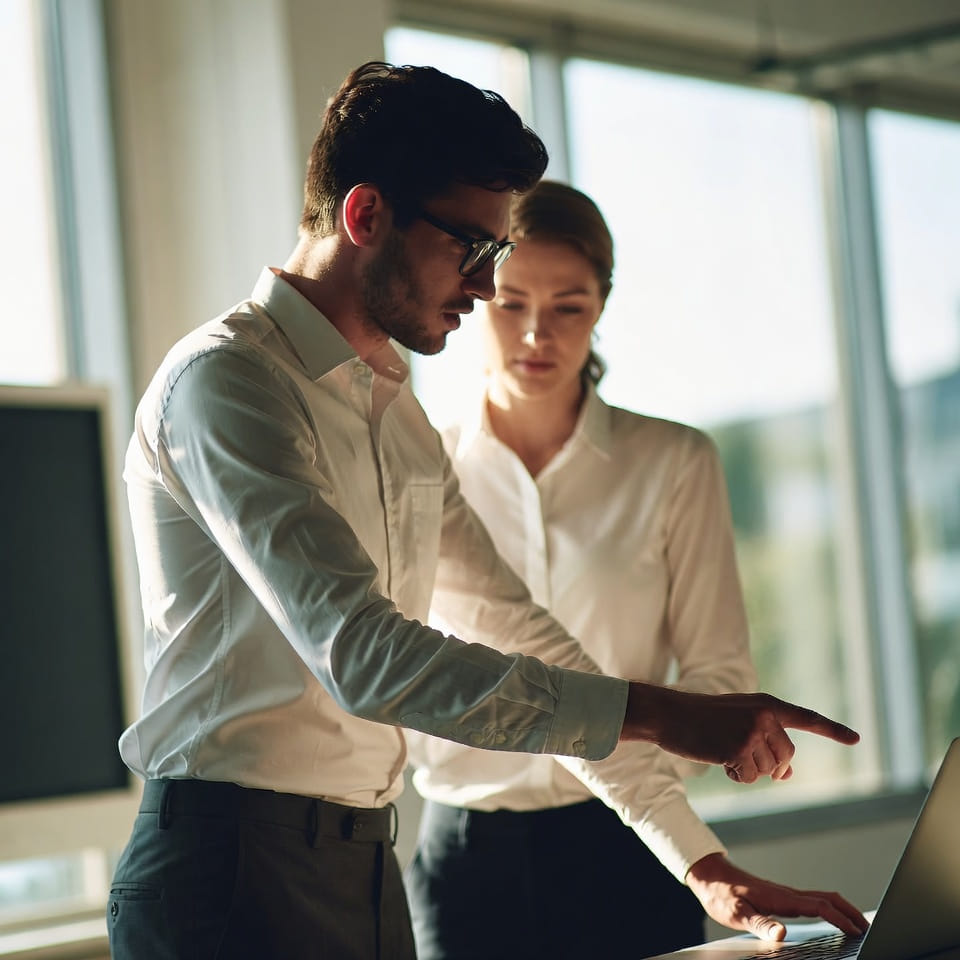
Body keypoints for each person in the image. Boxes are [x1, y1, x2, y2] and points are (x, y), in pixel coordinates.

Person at [107, 62, 865, 960]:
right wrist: (663, 714)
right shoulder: (228, 383)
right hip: (228, 869)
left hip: (367, 859)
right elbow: (368, 657)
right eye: (471, 247)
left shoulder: (399, 420)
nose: (483, 284)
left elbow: (531, 640)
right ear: (365, 214)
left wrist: (700, 863)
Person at [404, 180, 866, 959]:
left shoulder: (675, 462)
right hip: (466, 856)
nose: (535, 334)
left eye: (569, 306)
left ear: (604, 305)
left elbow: (718, 669)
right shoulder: (421, 465)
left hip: (634, 849)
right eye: (511, 302)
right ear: (477, 291)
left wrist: (736, 736)